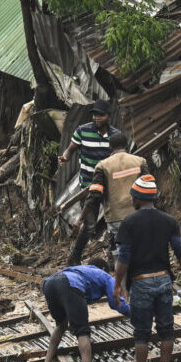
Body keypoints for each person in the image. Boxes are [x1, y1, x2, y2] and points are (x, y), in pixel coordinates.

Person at [114, 178, 181, 362]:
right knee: (166, 330)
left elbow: (123, 258)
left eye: (132, 196)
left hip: (141, 282)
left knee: (141, 333)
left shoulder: (129, 224)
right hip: (163, 280)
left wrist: (117, 285)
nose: (131, 199)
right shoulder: (169, 221)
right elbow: (180, 252)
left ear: (139, 198)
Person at [39, 257, 131, 362]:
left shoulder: (81, 270)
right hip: (70, 285)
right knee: (83, 332)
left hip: (49, 284)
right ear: (104, 269)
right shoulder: (104, 275)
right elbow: (116, 303)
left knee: (61, 325)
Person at [58, 100, 119, 265]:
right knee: (90, 225)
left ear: (108, 116)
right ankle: (74, 259)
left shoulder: (115, 136)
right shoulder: (82, 131)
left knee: (112, 222)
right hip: (88, 187)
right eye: (95, 114)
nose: (97, 118)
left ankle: (113, 260)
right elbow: (70, 149)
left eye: (101, 115)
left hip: (109, 187)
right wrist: (65, 157)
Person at [83, 132, 149, 246]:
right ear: (127, 145)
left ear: (110, 147)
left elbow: (95, 195)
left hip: (116, 217)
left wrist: (81, 218)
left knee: (119, 254)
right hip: (139, 214)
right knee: (142, 248)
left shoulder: (102, 166)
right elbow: (149, 187)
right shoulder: (140, 161)